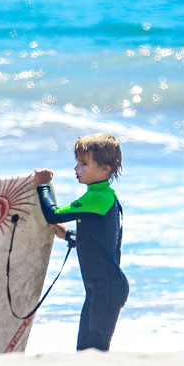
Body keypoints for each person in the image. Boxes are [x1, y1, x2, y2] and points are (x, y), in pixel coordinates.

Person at [34, 133, 128, 351]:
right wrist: (67, 235)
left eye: (84, 164)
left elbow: (53, 214)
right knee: (85, 350)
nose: (77, 169)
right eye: (77, 163)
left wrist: (43, 186)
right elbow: (98, 240)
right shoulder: (102, 197)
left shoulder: (98, 198)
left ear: (104, 169)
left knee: (94, 350)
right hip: (100, 289)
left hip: (107, 289)